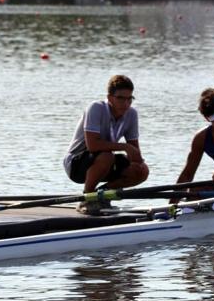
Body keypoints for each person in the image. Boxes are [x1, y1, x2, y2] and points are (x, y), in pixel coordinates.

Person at [63, 75, 149, 215]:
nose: (126, 103)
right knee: (106, 156)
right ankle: (87, 198)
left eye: (129, 99)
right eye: (121, 98)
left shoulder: (131, 114)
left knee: (142, 171)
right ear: (109, 98)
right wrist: (125, 147)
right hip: (76, 164)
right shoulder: (96, 108)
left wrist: (138, 163)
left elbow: (135, 151)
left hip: (102, 162)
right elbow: (93, 146)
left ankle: (103, 195)